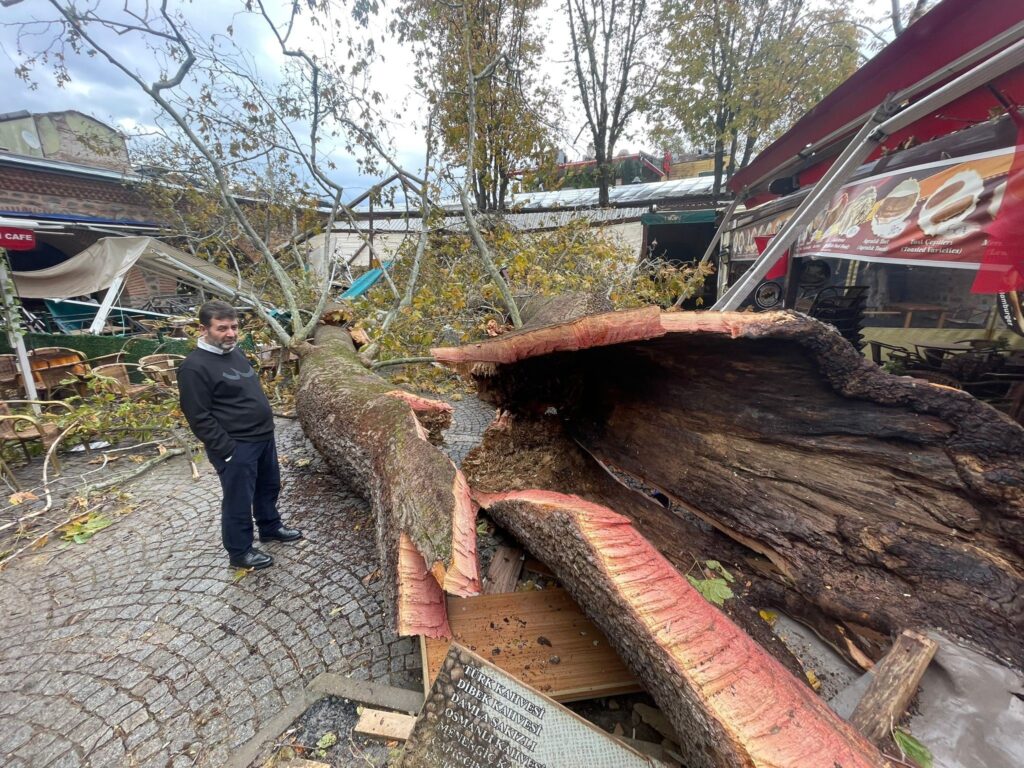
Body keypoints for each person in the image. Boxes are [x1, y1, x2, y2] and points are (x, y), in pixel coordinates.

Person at [178, 300, 302, 569]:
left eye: (234, 327)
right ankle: (240, 552)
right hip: (237, 445)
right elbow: (197, 415)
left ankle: (270, 527)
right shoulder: (193, 367)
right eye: (222, 328)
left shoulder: (234, 353)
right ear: (203, 328)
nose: (231, 333)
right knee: (238, 500)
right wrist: (227, 449)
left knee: (268, 487)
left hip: (263, 438)